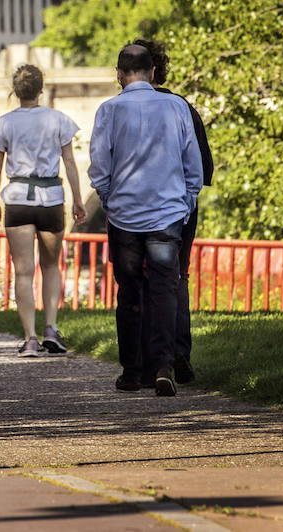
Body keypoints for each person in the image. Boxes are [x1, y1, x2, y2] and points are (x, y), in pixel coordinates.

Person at [88, 43, 202, 397]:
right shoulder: (176, 106)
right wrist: (184, 203)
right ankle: (163, 365)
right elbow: (192, 164)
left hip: (125, 217)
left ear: (119, 76)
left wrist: (110, 200)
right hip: (167, 215)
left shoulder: (109, 110)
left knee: (130, 292)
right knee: (164, 291)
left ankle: (132, 371)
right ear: (153, 73)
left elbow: (99, 166)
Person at [0, 64, 86, 357]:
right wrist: (78, 199)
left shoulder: (4, 124)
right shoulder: (58, 120)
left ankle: (29, 337)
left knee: (23, 272)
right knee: (52, 266)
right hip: (51, 199)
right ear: (41, 89)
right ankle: (51, 329)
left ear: (14, 92)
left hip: (17, 199)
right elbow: (69, 163)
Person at [135, 38, 213, 385]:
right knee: (176, 278)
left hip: (139, 206)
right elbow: (203, 166)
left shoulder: (122, 109)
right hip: (180, 205)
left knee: (140, 281)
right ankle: (179, 354)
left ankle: (147, 359)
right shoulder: (183, 107)